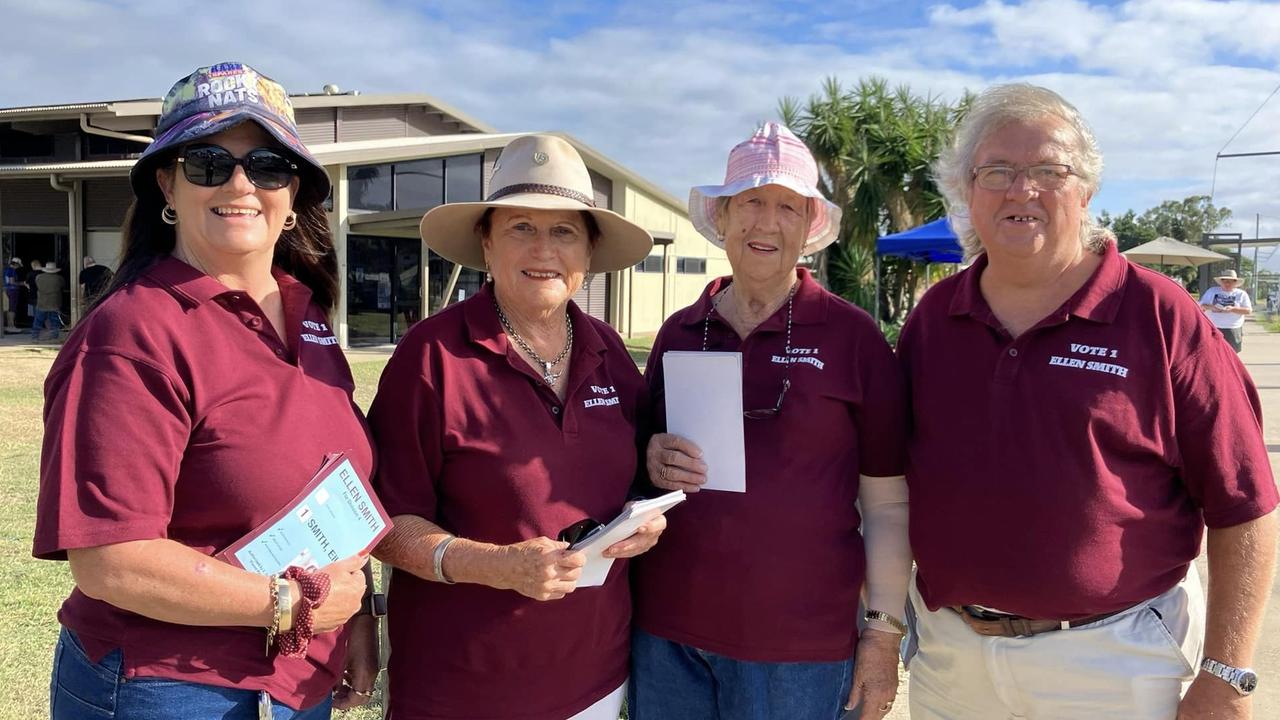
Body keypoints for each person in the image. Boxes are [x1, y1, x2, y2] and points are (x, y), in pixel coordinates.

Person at [899, 83, 1278, 720]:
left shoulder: (1161, 315)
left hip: (1112, 666)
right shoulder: (936, 317)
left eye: (1049, 170)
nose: (1022, 190)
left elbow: (1245, 504)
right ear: (968, 190)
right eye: (997, 171)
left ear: (1087, 190)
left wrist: (1227, 676)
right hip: (952, 661)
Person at [33, 62, 379, 719]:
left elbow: (334, 492)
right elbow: (112, 561)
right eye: (209, 162)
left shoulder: (309, 317)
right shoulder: (133, 332)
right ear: (167, 181)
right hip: (167, 689)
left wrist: (355, 614)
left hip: (295, 677)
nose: (242, 183)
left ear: (295, 190)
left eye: (269, 165)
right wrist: (294, 600)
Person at [368, 134, 665, 720]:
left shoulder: (609, 350)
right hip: (463, 687)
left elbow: (635, 480)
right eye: (521, 227)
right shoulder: (432, 356)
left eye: (564, 232)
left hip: (595, 679)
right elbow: (383, 525)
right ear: (486, 242)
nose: (543, 248)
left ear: (588, 251)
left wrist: (645, 522)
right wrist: (497, 565)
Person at [632, 123, 911, 720]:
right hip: (668, 636)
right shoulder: (680, 331)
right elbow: (634, 463)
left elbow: (887, 504)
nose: (766, 222)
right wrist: (651, 457)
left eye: (787, 206)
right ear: (724, 218)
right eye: (751, 202)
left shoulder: (852, 337)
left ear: (809, 224)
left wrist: (883, 634)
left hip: (800, 649)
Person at [1199, 269, 1252, 353]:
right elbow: (1201, 306)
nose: (1227, 283)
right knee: (1212, 352)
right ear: (1221, 282)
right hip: (1213, 327)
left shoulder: (1241, 294)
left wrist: (1233, 309)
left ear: (1235, 283)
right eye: (1225, 281)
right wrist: (1213, 307)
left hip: (1233, 328)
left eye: (1230, 281)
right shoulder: (1212, 291)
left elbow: (1248, 310)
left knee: (1232, 353)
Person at [31, 261, 67, 341]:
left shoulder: (39, 277)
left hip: (41, 302)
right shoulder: (59, 278)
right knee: (55, 321)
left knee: (38, 321)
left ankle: (35, 337)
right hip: (55, 302)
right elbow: (63, 286)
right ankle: (54, 337)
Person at [3, 256, 18, 332]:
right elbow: (12, 282)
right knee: (12, 308)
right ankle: (11, 325)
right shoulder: (12, 270)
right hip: (12, 290)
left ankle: (8, 325)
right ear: (16, 264)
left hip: (5, 290)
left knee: (7, 307)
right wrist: (22, 283)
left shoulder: (5, 270)